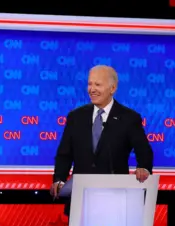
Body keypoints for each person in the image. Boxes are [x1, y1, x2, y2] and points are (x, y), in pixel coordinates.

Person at [50, 65, 153, 211]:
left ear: (112, 88)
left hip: (115, 199)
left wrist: (143, 167)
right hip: (81, 198)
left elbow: (144, 151)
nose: (92, 89)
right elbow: (64, 154)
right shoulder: (76, 117)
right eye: (90, 84)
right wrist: (59, 179)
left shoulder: (129, 118)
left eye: (97, 84)